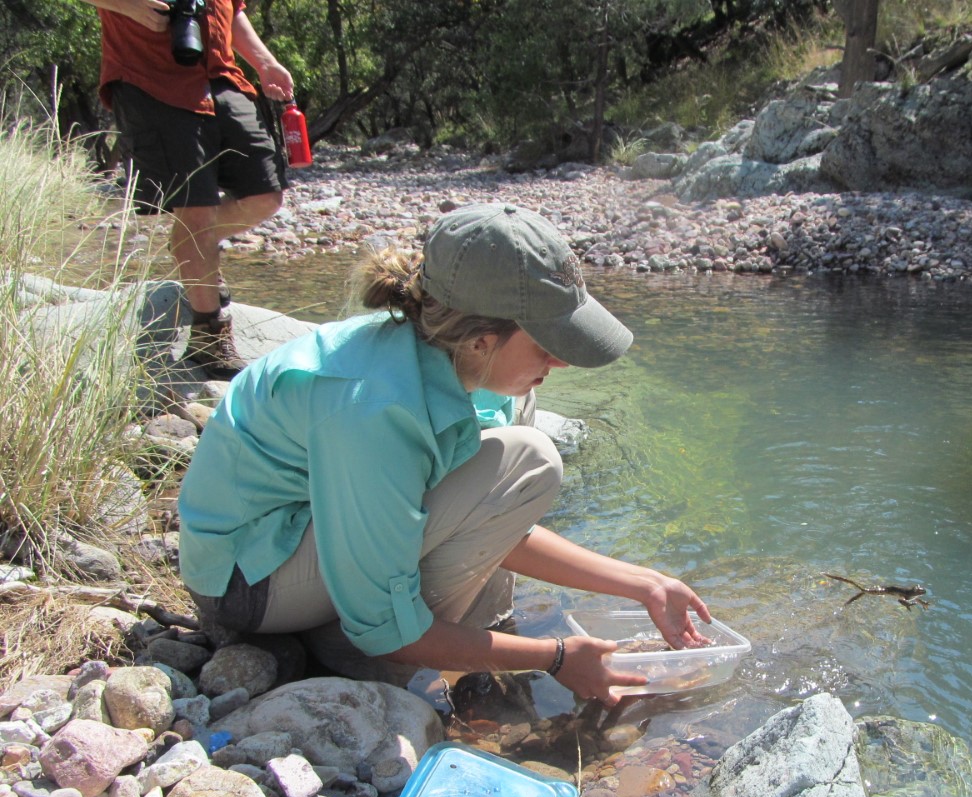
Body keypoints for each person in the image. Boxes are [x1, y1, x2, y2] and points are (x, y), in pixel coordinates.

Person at [177, 202, 711, 706]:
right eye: (547, 344)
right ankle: (353, 656)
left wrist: (645, 584)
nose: (562, 362)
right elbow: (397, 614)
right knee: (530, 459)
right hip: (249, 582)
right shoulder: (373, 409)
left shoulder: (475, 367)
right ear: (481, 339)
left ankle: (440, 640)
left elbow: (491, 522)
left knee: (518, 447)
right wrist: (555, 658)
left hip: (311, 541)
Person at [80, 0, 294, 377]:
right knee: (194, 208)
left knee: (265, 195)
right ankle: (208, 336)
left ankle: (191, 248)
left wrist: (264, 63)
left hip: (223, 79)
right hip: (151, 81)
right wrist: (129, 6)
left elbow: (233, 9)